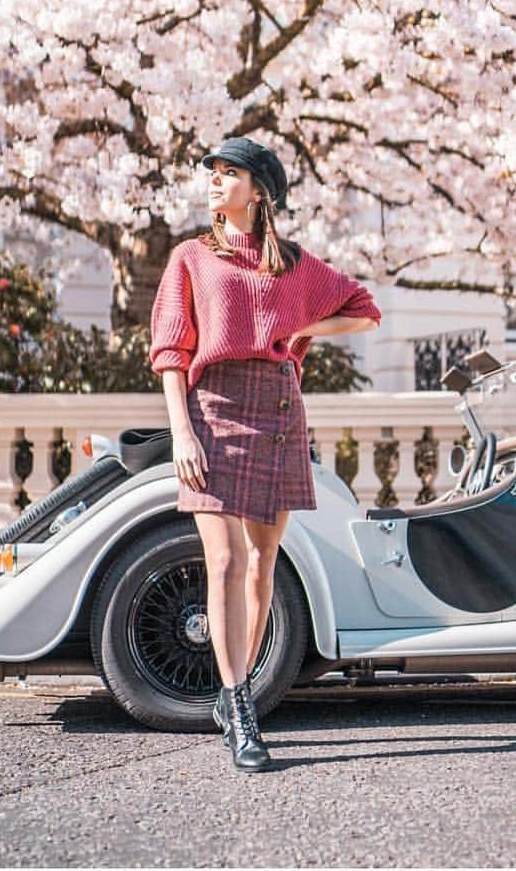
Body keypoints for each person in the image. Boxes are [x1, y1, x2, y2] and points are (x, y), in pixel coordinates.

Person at [148, 137, 381, 772]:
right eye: (213, 174)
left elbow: (365, 310)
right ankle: (238, 702)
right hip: (213, 412)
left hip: (279, 412)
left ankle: (237, 687)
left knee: (261, 566)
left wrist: (304, 328)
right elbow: (171, 353)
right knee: (222, 560)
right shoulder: (192, 259)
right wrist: (182, 433)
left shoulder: (295, 266)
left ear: (260, 191)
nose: (216, 183)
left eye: (229, 174)